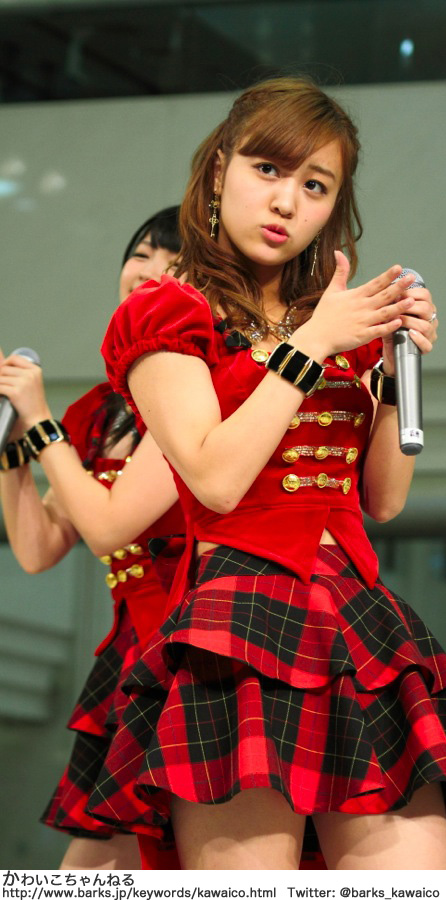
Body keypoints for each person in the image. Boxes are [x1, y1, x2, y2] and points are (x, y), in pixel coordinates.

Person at [93, 76, 446, 870]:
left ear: (333, 207)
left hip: (358, 622)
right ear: (220, 170)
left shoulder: (337, 321)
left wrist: (398, 368)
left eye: (315, 186)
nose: (287, 201)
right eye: (268, 170)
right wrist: (313, 343)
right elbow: (214, 478)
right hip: (238, 620)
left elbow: (384, 498)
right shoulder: (167, 312)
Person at [0, 208, 183, 869]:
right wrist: (14, 449)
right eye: (141, 255)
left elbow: (109, 528)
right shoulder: (100, 411)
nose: (150, 273)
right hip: (131, 652)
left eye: (176, 265)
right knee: (100, 859)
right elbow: (39, 548)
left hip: (190, 643)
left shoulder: (196, 391)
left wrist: (40, 423)